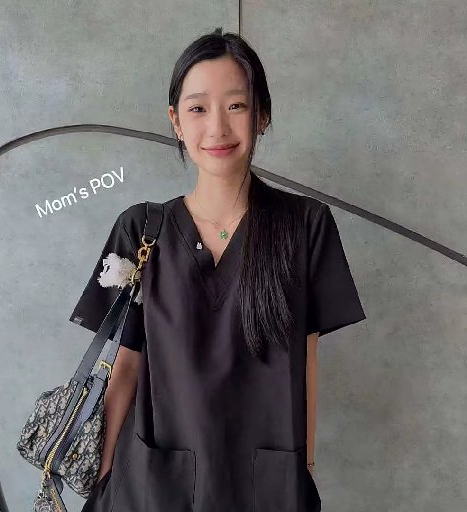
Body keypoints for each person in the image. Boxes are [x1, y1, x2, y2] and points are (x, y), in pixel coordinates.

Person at [69, 28, 366, 512]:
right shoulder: (141, 230)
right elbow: (125, 366)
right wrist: (103, 482)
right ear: (175, 121)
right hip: (150, 486)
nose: (217, 128)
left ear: (262, 114)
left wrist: (304, 470)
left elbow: (306, 359)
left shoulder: (306, 225)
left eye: (236, 105)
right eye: (198, 108)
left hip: (265, 487)